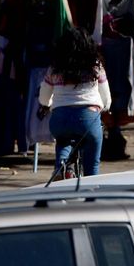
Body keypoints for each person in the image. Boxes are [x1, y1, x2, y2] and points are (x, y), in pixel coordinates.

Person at [38, 27, 112, 177]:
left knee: (63, 141)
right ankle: (90, 190)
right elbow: (106, 98)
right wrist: (104, 107)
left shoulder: (55, 68)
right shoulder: (95, 66)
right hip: (88, 119)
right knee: (92, 162)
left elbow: (43, 98)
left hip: (60, 119)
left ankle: (62, 166)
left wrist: (49, 104)